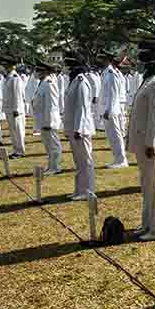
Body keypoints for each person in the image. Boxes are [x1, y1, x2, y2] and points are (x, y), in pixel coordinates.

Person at [128, 41, 155, 241]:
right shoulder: (149, 79)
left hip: (151, 144)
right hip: (143, 141)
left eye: (144, 55)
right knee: (147, 186)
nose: (140, 59)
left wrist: (152, 142)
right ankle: (147, 223)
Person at [62, 52, 96, 200]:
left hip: (80, 129)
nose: (65, 67)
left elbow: (83, 107)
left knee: (85, 161)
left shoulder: (81, 81)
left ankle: (87, 191)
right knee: (79, 161)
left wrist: (79, 129)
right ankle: (79, 189)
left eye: (67, 64)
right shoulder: (74, 80)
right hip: (74, 127)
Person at [32, 61, 63, 175]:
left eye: (39, 70)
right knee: (48, 144)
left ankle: (55, 167)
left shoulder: (49, 83)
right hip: (43, 119)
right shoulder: (43, 82)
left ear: (45, 71)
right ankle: (51, 166)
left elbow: (51, 105)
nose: (36, 73)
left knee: (53, 144)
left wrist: (48, 122)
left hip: (48, 120)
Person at [98, 53, 128, 168]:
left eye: (102, 59)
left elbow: (113, 94)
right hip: (108, 108)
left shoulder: (111, 74)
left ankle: (121, 160)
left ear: (108, 60)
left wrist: (108, 110)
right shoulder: (107, 72)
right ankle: (117, 159)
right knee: (112, 136)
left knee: (115, 136)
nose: (101, 61)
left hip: (111, 110)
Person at [0, 57, 27, 158]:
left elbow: (17, 95)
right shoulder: (9, 77)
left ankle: (20, 151)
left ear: (11, 66)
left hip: (15, 110)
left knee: (18, 131)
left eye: (5, 65)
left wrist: (16, 109)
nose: (4, 67)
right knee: (13, 131)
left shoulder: (15, 77)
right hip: (9, 109)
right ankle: (16, 150)